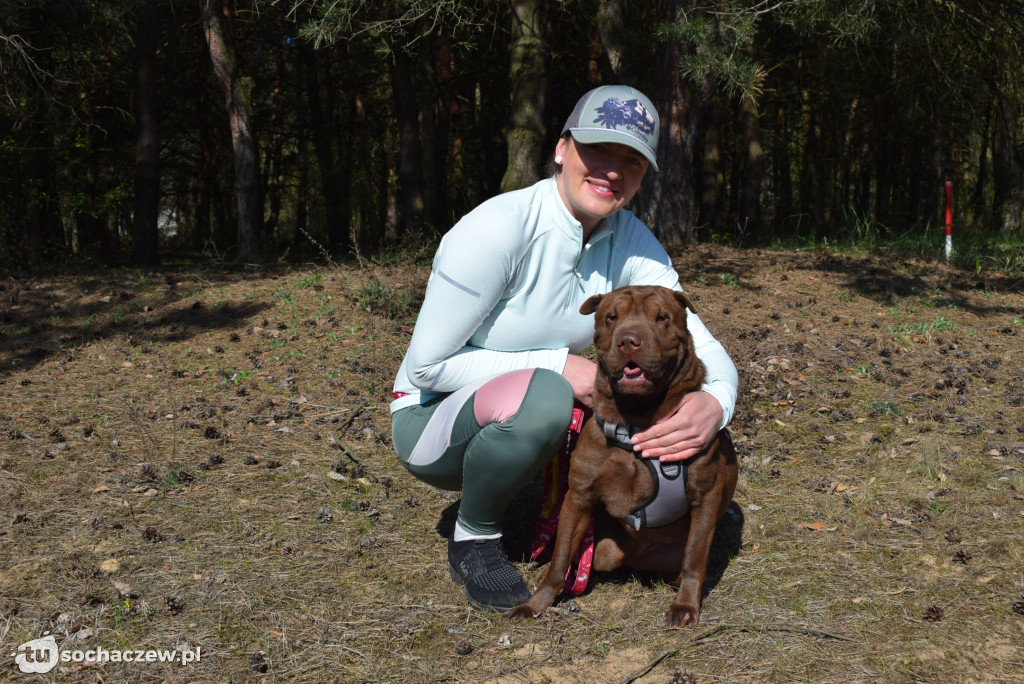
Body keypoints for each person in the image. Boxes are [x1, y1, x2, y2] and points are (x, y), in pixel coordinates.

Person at [389, 85, 738, 612]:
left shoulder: (631, 238)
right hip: (431, 419)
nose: (611, 170)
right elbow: (427, 367)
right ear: (560, 149)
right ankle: (475, 536)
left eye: (631, 160)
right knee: (550, 394)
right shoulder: (498, 229)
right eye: (596, 149)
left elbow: (695, 339)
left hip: (524, 406)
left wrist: (717, 402)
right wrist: (557, 365)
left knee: (567, 393)